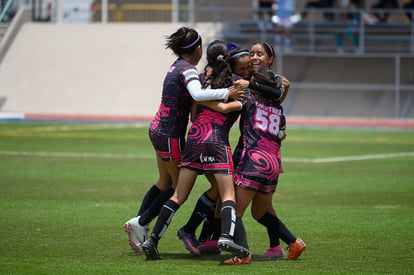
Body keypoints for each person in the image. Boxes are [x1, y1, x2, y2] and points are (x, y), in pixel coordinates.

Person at [123, 27, 244, 254]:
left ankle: (142, 225)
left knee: (164, 182)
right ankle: (141, 223)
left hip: (159, 128)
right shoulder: (188, 70)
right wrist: (227, 92)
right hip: (171, 134)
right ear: (197, 49)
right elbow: (197, 96)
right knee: (176, 190)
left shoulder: (175, 66)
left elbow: (194, 103)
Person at [245, 42, 307, 260]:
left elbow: (272, 95)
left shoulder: (262, 85)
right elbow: (278, 116)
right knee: (264, 209)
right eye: (251, 53)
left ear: (270, 59)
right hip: (272, 157)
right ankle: (281, 245)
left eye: (259, 54)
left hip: (254, 155)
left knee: (232, 206)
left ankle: (239, 251)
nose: (254, 57)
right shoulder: (272, 98)